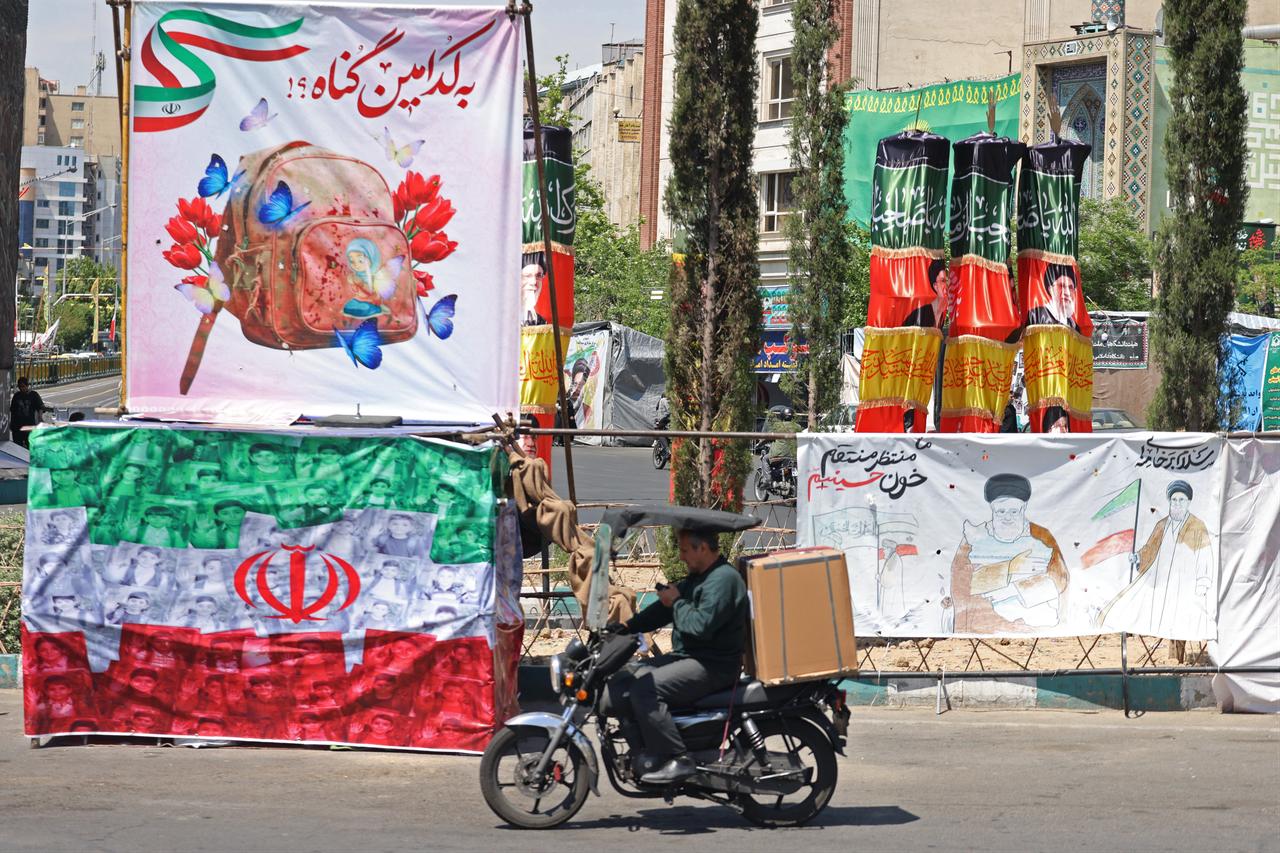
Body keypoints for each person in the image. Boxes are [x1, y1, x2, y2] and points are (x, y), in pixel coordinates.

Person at [613, 527, 748, 785]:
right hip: (690, 657)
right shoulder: (700, 577)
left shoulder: (722, 580)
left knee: (645, 690)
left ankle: (678, 758)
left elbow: (699, 625)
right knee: (625, 678)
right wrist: (627, 627)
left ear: (703, 549)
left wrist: (676, 602)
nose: (682, 556)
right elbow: (662, 611)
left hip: (713, 665)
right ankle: (644, 747)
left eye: (685, 550)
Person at [947, 473, 1069, 633]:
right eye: (1001, 512)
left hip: (1034, 621)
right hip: (984, 621)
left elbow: (1060, 578)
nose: (1007, 518)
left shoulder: (1041, 536)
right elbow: (960, 578)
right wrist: (1009, 568)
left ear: (1024, 508)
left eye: (1013, 512)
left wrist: (1013, 590)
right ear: (992, 508)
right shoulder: (974, 537)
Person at [1098, 480, 1213, 638]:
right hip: (1160, 580)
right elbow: (1150, 548)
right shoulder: (1162, 525)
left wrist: (1203, 582)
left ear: (1189, 502)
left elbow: (1204, 556)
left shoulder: (1197, 526)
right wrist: (1137, 556)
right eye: (1174, 500)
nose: (1177, 504)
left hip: (1184, 582)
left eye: (1181, 500)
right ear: (1169, 501)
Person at [1025, 264, 1081, 331]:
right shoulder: (1036, 315)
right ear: (1050, 289)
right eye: (1061, 286)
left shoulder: (1073, 325)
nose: (1067, 293)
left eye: (1070, 287)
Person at [9, 377, 46, 447]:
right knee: (17, 447)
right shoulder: (16, 396)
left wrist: (40, 417)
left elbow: (40, 407)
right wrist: (11, 423)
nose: (21, 388)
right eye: (20, 387)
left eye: (23, 386)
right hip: (17, 427)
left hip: (29, 426)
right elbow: (13, 411)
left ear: (27, 386)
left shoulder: (34, 395)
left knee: (30, 446)